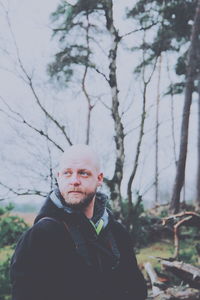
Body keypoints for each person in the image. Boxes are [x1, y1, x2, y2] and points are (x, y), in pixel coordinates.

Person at [10, 144, 147, 300]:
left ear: (99, 178)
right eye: (67, 173)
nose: (74, 181)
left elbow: (136, 292)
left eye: (83, 173)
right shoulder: (40, 236)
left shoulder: (118, 234)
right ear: (58, 177)